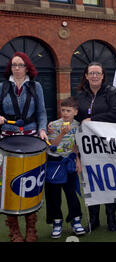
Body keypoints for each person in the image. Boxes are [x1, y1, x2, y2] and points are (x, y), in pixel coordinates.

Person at [0, 52, 48, 242]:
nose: (17, 68)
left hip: (30, 138)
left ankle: (31, 227)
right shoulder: (2, 87)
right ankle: (14, 230)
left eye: (20, 65)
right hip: (7, 138)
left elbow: (42, 112)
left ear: (27, 67)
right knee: (8, 183)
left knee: (30, 183)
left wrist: (42, 129)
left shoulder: (36, 87)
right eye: (14, 65)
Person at [74, 61, 116, 232]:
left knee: (110, 180)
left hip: (107, 144)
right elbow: (74, 117)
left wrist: (94, 120)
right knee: (91, 180)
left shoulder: (111, 92)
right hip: (87, 146)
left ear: (103, 75)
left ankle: (112, 218)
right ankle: (94, 219)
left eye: (98, 73)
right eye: (91, 73)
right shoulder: (80, 95)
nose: (94, 76)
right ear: (86, 76)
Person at [45, 96, 85, 239]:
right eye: (63, 110)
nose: (65, 113)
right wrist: (62, 133)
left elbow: (75, 145)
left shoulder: (78, 125)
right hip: (54, 162)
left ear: (75, 111)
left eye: (68, 110)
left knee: (71, 192)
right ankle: (57, 222)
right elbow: (53, 146)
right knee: (54, 194)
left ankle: (76, 220)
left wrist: (78, 161)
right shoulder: (54, 125)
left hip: (69, 161)